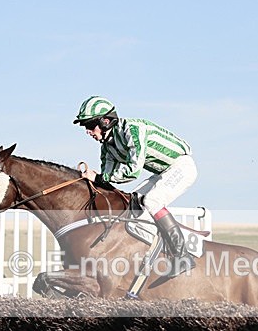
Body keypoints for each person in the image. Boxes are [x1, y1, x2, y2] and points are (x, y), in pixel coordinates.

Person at [73, 96, 197, 276]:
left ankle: (182, 255)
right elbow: (106, 180)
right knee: (134, 202)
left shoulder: (132, 130)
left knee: (152, 201)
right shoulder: (107, 148)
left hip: (182, 167)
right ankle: (149, 247)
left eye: (90, 125)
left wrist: (99, 177)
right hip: (164, 172)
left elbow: (133, 171)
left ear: (105, 121)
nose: (88, 131)